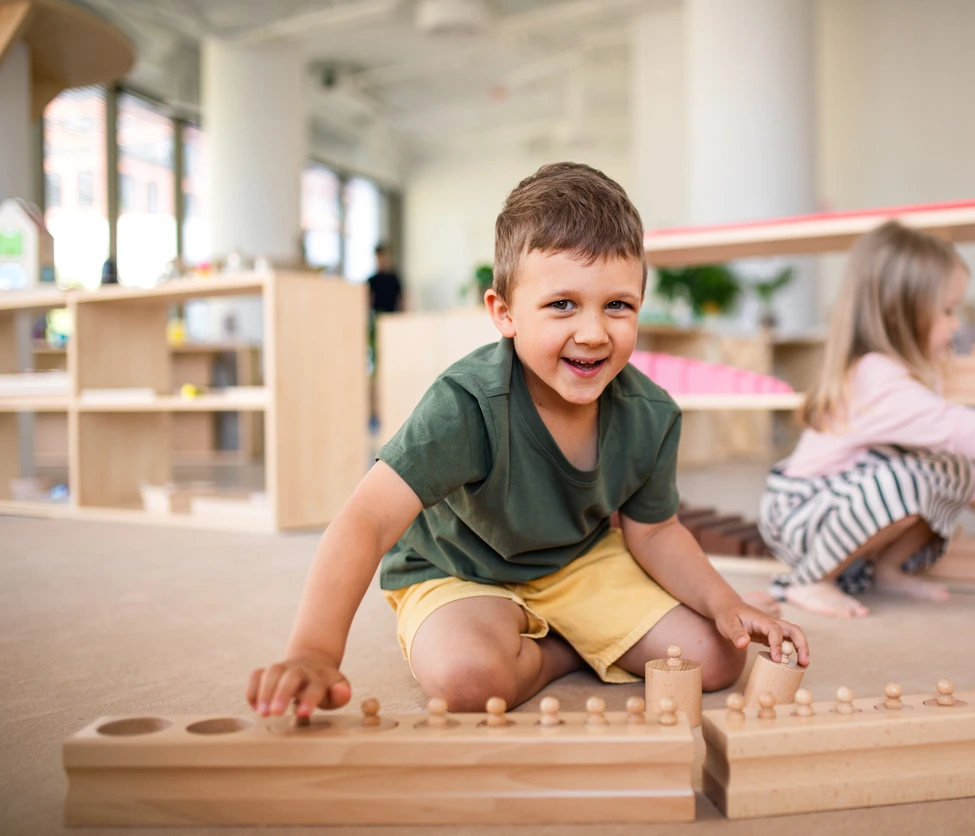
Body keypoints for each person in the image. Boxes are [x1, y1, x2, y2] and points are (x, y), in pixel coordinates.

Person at [248, 163, 807, 719]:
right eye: (563, 304)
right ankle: (559, 654)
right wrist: (314, 651)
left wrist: (725, 602)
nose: (592, 333)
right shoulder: (466, 404)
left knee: (714, 658)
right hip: (457, 570)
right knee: (469, 683)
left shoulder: (651, 415)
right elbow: (365, 519)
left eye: (617, 305)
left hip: (577, 563)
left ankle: (565, 634)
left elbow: (656, 531)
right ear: (504, 313)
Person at [757, 221, 975, 619]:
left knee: (941, 468)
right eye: (948, 311)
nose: (956, 323)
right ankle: (809, 580)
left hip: (833, 509)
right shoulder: (876, 378)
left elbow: (961, 471)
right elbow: (965, 430)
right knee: (909, 480)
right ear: (900, 313)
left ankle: (886, 570)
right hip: (796, 514)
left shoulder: (907, 377)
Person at [367, 244, 404, 315]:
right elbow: (368, 301)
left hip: (392, 315)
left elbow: (401, 299)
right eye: (379, 257)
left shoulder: (394, 278)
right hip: (377, 315)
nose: (381, 260)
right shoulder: (372, 280)